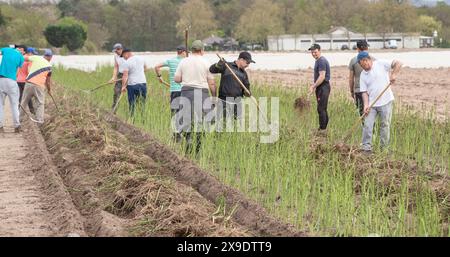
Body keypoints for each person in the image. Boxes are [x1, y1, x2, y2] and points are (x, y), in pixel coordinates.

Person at [174, 40, 217, 155]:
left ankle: (188, 141)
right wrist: (214, 98)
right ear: (202, 50)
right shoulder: (206, 63)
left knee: (186, 119)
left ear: (191, 50)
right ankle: (197, 150)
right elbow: (212, 83)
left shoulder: (183, 62)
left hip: (186, 92)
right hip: (202, 93)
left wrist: (187, 79)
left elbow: (177, 79)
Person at [358, 51, 402, 153]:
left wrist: (394, 74)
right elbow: (364, 92)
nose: (365, 64)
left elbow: (398, 63)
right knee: (368, 125)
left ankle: (384, 149)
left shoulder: (381, 64)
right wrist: (366, 105)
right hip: (372, 104)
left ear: (369, 59)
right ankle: (366, 148)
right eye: (362, 63)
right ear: (360, 64)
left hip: (386, 101)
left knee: (385, 125)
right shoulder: (362, 75)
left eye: (366, 61)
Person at [209, 51, 254, 129]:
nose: (248, 65)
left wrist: (248, 93)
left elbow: (247, 91)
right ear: (241, 59)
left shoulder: (244, 74)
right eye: (247, 62)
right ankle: (218, 140)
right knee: (221, 125)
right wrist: (218, 64)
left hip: (237, 103)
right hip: (223, 101)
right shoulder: (226, 66)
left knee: (235, 126)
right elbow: (212, 70)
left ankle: (232, 140)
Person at [154, 45, 187, 141]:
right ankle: (183, 133)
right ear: (184, 52)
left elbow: (156, 66)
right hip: (185, 91)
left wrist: (159, 76)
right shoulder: (186, 61)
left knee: (174, 113)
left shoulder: (170, 61)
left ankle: (176, 135)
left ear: (178, 52)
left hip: (175, 91)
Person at [21, 50, 53, 124]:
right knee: (40, 103)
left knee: (23, 102)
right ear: (51, 57)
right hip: (39, 86)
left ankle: (19, 121)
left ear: (44, 55)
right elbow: (47, 82)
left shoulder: (36, 58)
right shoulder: (49, 67)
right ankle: (40, 121)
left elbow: (24, 58)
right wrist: (49, 90)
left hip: (29, 83)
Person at [0, 45, 24, 133]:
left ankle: (0, 126)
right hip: (11, 81)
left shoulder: (5, 50)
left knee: (0, 105)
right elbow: (17, 72)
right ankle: (17, 126)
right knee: (14, 104)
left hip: (0, 80)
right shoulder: (21, 57)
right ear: (19, 50)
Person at [308, 43, 331, 135]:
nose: (314, 54)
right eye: (312, 52)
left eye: (315, 52)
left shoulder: (321, 61)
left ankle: (322, 130)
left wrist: (313, 86)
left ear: (320, 51)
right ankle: (323, 129)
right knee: (323, 109)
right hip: (322, 87)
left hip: (323, 87)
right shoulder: (318, 60)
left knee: (321, 109)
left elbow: (322, 76)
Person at [120, 48, 149, 117]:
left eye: (123, 56)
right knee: (142, 104)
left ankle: (132, 119)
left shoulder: (126, 63)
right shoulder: (141, 59)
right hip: (143, 84)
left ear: (126, 53)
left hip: (132, 86)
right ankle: (142, 119)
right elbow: (146, 68)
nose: (124, 58)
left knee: (132, 104)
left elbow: (125, 76)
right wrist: (138, 73)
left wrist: (123, 86)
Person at [349, 40, 370, 117]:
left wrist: (351, 91)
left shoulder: (353, 61)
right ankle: (372, 128)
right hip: (370, 90)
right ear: (367, 48)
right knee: (372, 114)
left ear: (357, 48)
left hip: (358, 90)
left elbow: (351, 79)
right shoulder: (372, 59)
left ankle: (365, 128)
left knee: (362, 113)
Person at [15, 45, 34, 113]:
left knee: (20, 96)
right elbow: (29, 71)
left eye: (21, 49)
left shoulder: (18, 58)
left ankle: (18, 111)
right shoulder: (28, 60)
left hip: (18, 80)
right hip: (25, 80)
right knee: (27, 96)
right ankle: (32, 110)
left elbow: (16, 70)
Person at [109, 43, 127, 110]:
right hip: (120, 74)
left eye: (117, 51)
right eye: (115, 51)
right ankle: (113, 111)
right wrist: (113, 77)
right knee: (116, 92)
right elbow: (116, 67)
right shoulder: (116, 56)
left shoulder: (127, 55)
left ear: (121, 49)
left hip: (129, 75)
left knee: (130, 94)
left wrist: (126, 79)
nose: (116, 52)